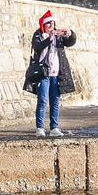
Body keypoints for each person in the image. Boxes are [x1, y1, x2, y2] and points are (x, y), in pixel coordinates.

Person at [25, 10, 76, 138]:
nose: (51, 27)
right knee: (42, 100)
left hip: (56, 74)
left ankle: (54, 127)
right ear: (44, 25)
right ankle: (40, 128)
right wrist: (49, 38)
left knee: (55, 101)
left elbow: (70, 42)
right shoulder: (38, 35)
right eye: (49, 24)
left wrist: (70, 34)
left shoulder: (58, 37)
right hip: (43, 73)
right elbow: (37, 47)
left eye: (53, 24)